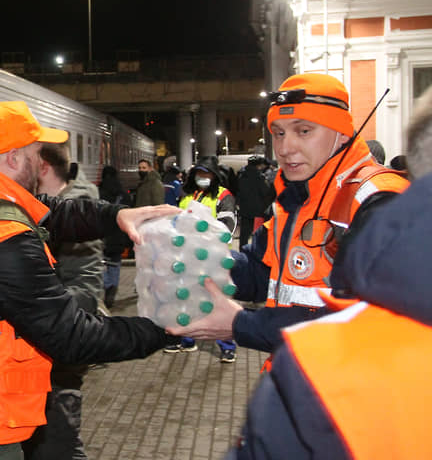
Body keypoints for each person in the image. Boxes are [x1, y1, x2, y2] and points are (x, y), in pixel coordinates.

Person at [0, 101, 179, 459]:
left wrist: (117, 216)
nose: (41, 162)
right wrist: (166, 328)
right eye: (36, 151)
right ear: (13, 157)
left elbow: (48, 212)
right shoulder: (0, 239)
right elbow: (71, 336)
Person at [167, 73, 409, 356]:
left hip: (356, 393)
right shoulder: (296, 199)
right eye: (278, 133)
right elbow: (260, 272)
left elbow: (372, 321)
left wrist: (241, 324)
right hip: (301, 382)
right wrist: (203, 259)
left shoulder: (380, 200)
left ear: (342, 133)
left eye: (303, 130)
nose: (285, 148)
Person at [22, 143, 105, 460]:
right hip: (46, 352)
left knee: (58, 444)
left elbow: (85, 290)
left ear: (41, 167)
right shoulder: (53, 209)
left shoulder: (73, 214)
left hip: (59, 355)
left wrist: (29, 308)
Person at [167, 156, 238, 362]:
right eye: (200, 174)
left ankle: (227, 345)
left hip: (216, 257)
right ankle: (188, 340)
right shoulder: (189, 195)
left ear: (215, 176)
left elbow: (228, 225)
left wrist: (202, 231)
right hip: (190, 254)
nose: (203, 178)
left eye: (207, 174)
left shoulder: (224, 196)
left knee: (218, 302)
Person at [98, 165, 132, 309]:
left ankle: (107, 285)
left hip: (103, 234)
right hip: (118, 234)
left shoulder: (99, 192)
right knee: (115, 263)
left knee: (102, 263)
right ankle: (113, 286)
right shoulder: (123, 194)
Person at [236, 156, 275, 248]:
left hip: (245, 208)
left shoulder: (242, 175)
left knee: (244, 233)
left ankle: (243, 249)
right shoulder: (259, 177)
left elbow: (238, 191)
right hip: (258, 209)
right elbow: (265, 192)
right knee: (258, 232)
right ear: (259, 165)